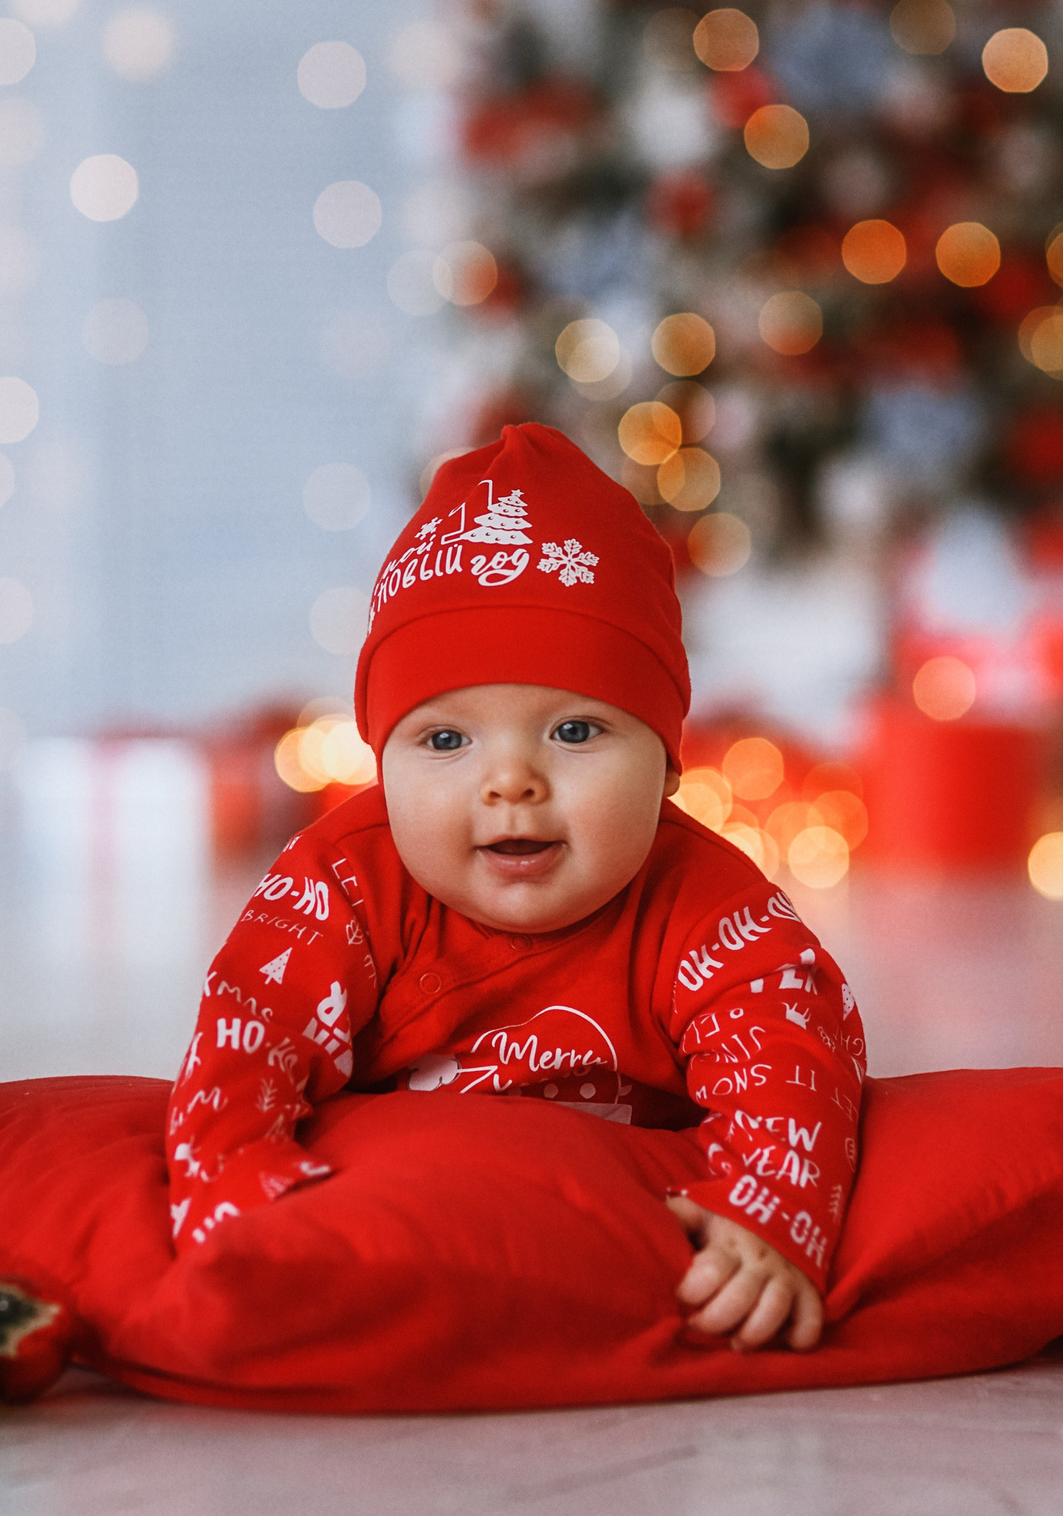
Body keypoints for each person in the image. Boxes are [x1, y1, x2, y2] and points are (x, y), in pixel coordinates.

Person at [165, 423, 867, 1353]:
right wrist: (237, 1195)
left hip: (600, 1221)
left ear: (664, 765)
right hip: (399, 1212)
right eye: (447, 741)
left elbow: (790, 1051)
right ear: (382, 765)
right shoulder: (341, 883)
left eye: (575, 733)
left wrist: (766, 1215)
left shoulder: (707, 903)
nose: (511, 782)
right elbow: (246, 1043)